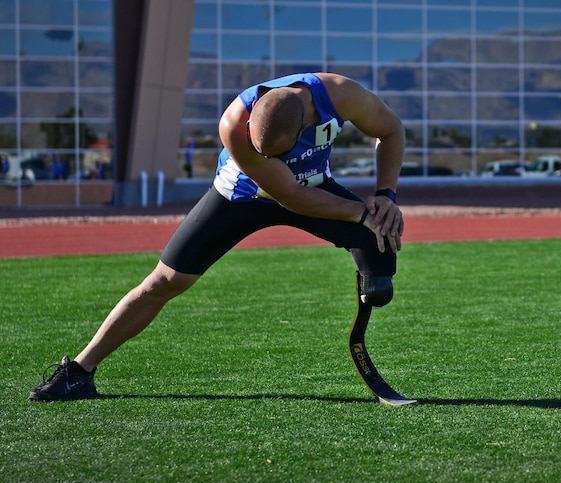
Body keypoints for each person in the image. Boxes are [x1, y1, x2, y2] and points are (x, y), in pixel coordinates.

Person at [29, 72, 405, 402]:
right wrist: (361, 212)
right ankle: (79, 370)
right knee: (164, 281)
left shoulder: (342, 94)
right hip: (240, 196)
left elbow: (391, 130)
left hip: (314, 186)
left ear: (305, 126)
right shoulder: (232, 122)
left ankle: (368, 305)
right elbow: (289, 195)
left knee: (381, 250)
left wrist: (384, 197)